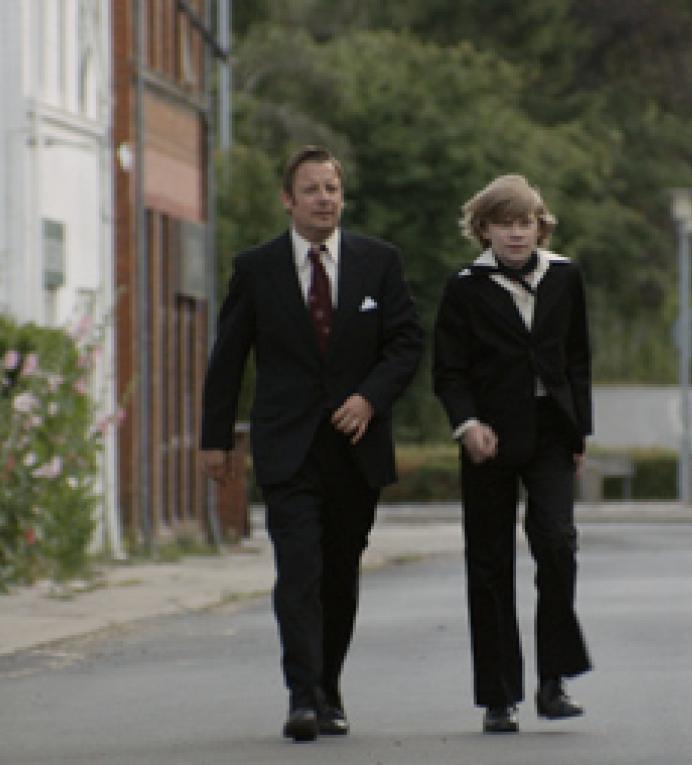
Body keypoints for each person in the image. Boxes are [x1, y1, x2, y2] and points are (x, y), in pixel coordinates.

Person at [199, 145, 423, 742]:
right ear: (288, 199)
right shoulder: (257, 269)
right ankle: (302, 695)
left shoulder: (380, 263)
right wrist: (215, 440)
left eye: (332, 188)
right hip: (287, 447)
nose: (324, 199)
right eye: (312, 189)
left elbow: (406, 343)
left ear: (342, 197)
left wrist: (369, 398)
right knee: (298, 569)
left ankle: (329, 688)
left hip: (355, 448)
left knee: (339, 575)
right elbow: (228, 357)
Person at [433, 174, 593, 734]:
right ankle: (498, 696)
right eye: (504, 224)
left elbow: (578, 360)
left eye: (525, 223)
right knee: (489, 561)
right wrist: (468, 425)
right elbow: (448, 371)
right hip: (490, 439)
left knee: (557, 543)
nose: (516, 233)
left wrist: (579, 433)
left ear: (540, 226)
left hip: (551, 433)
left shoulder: (565, 277)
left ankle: (554, 680)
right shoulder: (464, 289)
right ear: (484, 230)